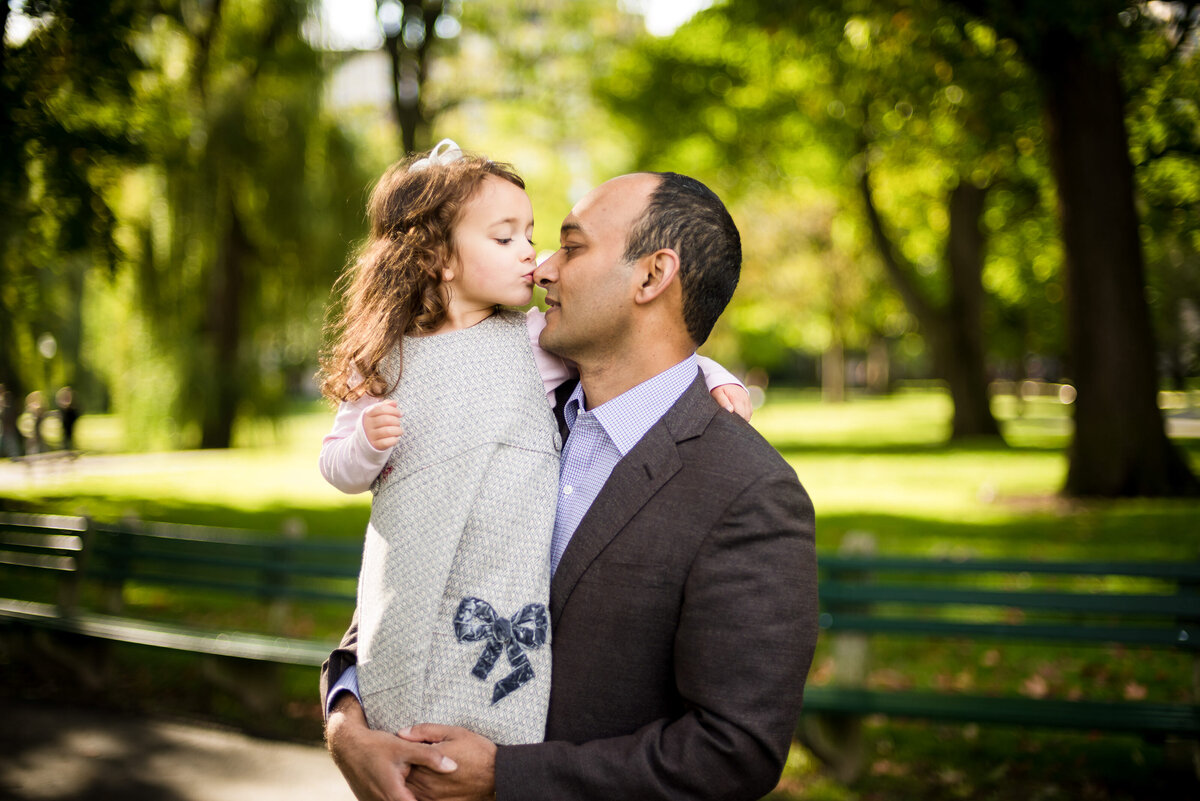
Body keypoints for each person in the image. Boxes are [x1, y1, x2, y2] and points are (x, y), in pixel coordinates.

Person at [322, 170, 818, 801]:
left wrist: (508, 778)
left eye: (573, 246)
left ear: (651, 276)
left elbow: (733, 752)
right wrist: (348, 724)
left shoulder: (747, 492)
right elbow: (411, 565)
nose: (544, 268)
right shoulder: (511, 405)